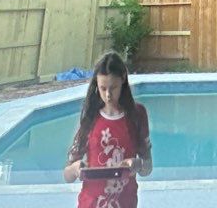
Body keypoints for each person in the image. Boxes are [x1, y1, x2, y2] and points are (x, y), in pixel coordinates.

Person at [62, 51, 152, 206]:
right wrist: (76, 169)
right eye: (103, 88)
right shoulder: (90, 117)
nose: (108, 94)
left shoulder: (137, 114)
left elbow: (147, 167)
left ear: (123, 79)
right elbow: (67, 175)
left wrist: (137, 164)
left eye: (113, 87)